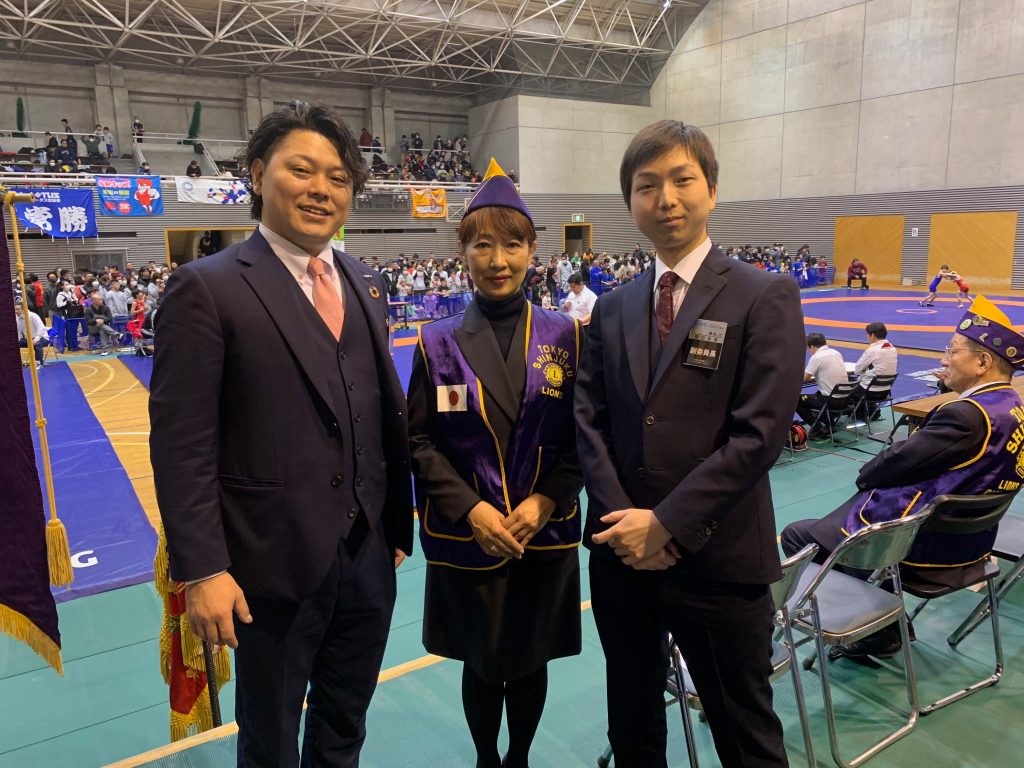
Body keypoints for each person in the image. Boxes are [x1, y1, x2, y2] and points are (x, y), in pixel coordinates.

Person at [149, 101, 413, 768]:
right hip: (266, 565)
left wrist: (391, 523)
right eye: (302, 170)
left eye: (339, 178)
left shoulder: (366, 283)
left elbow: (373, 409)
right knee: (269, 742)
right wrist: (204, 568)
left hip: (367, 557)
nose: (321, 189)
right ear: (258, 174)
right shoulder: (206, 288)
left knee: (344, 723)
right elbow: (181, 445)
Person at [575, 120, 804, 768]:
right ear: (630, 201)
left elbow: (760, 434)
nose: (666, 199)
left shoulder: (763, 295)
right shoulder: (614, 307)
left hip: (718, 558)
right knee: (633, 727)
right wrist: (626, 524)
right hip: (622, 558)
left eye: (682, 180)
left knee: (745, 737)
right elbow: (588, 420)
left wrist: (668, 524)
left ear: (712, 190)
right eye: (647, 185)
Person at [408, 159, 583, 768]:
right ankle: (488, 759)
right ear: (463, 253)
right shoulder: (435, 342)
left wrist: (547, 500)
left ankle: (520, 758)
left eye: (512, 244)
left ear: (533, 252)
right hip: (469, 533)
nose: (498, 259)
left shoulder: (567, 336)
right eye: (483, 245)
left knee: (531, 660)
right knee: (480, 662)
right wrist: (472, 509)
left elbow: (585, 439)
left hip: (542, 532)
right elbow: (419, 442)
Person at [782, 295, 1024, 658]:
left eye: (953, 351)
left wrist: (866, 475)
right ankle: (888, 623)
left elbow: (893, 463)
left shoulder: (967, 415)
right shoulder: (1012, 407)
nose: (943, 360)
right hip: (973, 544)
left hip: (924, 549)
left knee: (798, 536)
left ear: (983, 362)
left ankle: (879, 631)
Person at [796, 333, 848, 438]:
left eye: (808, 348)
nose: (809, 351)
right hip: (845, 400)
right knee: (818, 393)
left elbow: (805, 378)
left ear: (812, 347)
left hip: (830, 401)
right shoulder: (836, 353)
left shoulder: (817, 357)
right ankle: (829, 424)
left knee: (797, 401)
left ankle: (817, 428)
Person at [853, 321, 898, 413]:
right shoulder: (893, 349)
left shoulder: (873, 350)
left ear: (872, 335)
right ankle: (869, 412)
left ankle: (859, 413)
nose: (867, 337)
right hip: (885, 391)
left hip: (869, 392)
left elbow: (857, 370)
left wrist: (864, 371)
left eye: (867, 335)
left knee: (846, 390)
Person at [15, 298, 49, 369]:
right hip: (29, 339)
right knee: (13, 344)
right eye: (15, 309)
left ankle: (39, 363)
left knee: (37, 344)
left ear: (23, 310)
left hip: (42, 337)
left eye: (18, 309)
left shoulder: (33, 316)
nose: (16, 311)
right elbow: (18, 333)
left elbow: (41, 328)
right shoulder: (17, 318)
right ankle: (18, 362)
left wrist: (36, 339)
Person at [85, 291, 121, 356]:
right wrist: (96, 321)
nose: (101, 301)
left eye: (101, 299)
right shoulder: (88, 310)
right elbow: (88, 321)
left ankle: (105, 350)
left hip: (104, 327)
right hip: (93, 328)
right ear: (93, 301)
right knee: (101, 327)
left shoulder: (106, 308)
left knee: (102, 330)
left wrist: (102, 320)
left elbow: (110, 318)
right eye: (99, 300)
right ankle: (116, 334)